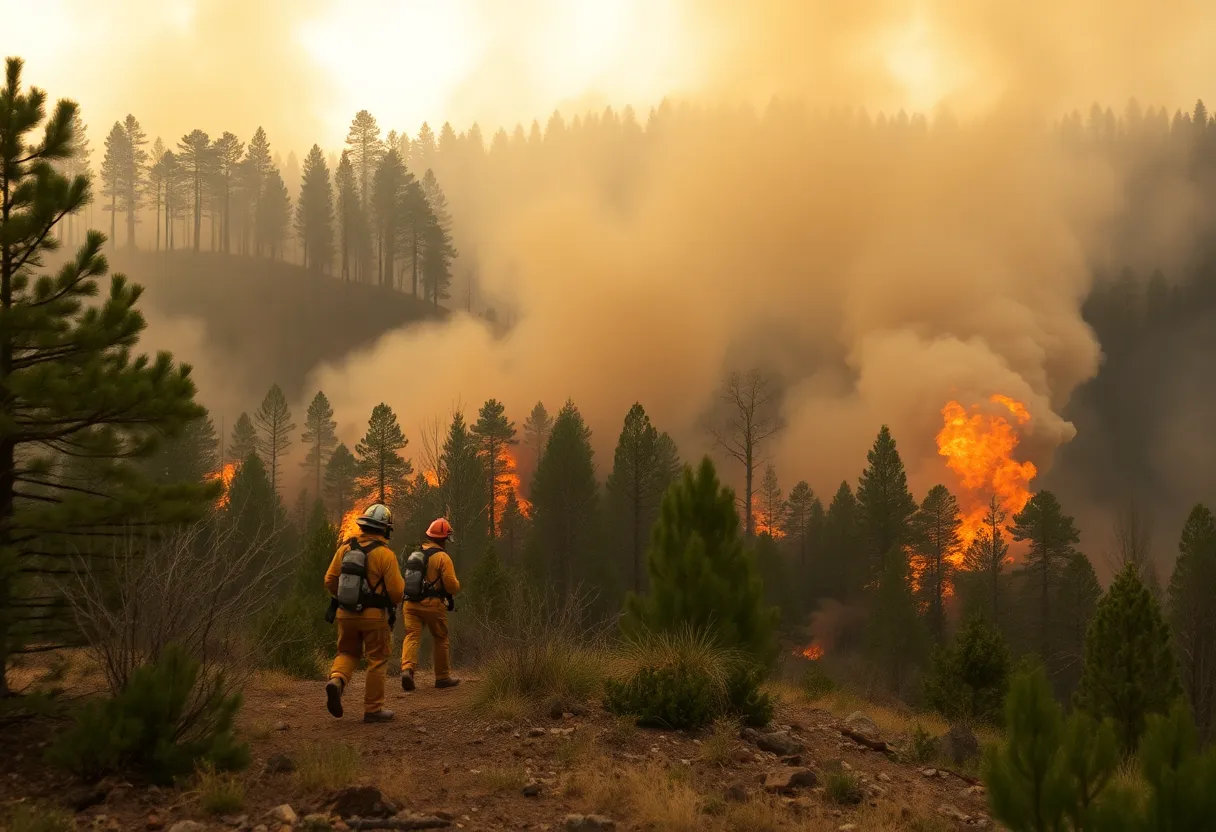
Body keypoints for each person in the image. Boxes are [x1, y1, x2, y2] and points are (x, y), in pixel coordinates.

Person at [323, 503, 404, 722]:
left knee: (347, 652)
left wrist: (345, 598)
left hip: (345, 614)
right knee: (377, 658)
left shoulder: (345, 549)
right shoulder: (385, 555)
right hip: (374, 617)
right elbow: (397, 593)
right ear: (385, 529)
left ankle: (337, 680)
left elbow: (329, 580)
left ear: (364, 525)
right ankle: (373, 709)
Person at [401, 517, 463, 690]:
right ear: (443, 539)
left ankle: (407, 669)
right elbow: (451, 586)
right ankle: (442, 677)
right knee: (441, 637)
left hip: (410, 604)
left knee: (412, 636)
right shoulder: (442, 557)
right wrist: (457, 586)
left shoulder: (416, 554)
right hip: (432, 604)